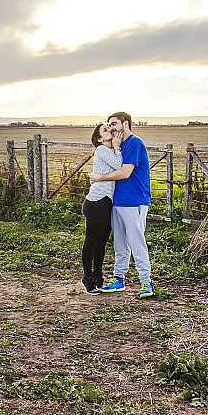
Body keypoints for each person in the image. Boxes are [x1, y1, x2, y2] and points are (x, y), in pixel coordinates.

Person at [88, 112, 153, 298]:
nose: (112, 128)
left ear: (126, 124)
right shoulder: (119, 145)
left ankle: (146, 282)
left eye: (114, 124)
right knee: (119, 244)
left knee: (136, 240)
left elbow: (125, 173)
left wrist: (99, 178)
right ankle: (119, 279)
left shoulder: (134, 143)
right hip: (118, 200)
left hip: (135, 200)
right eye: (109, 125)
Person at [80, 123, 122, 294]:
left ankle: (98, 278)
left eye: (109, 128)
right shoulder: (102, 150)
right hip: (97, 202)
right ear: (98, 139)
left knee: (101, 243)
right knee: (91, 242)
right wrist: (118, 148)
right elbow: (120, 167)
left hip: (104, 202)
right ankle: (87, 279)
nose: (109, 131)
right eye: (105, 130)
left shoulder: (107, 152)